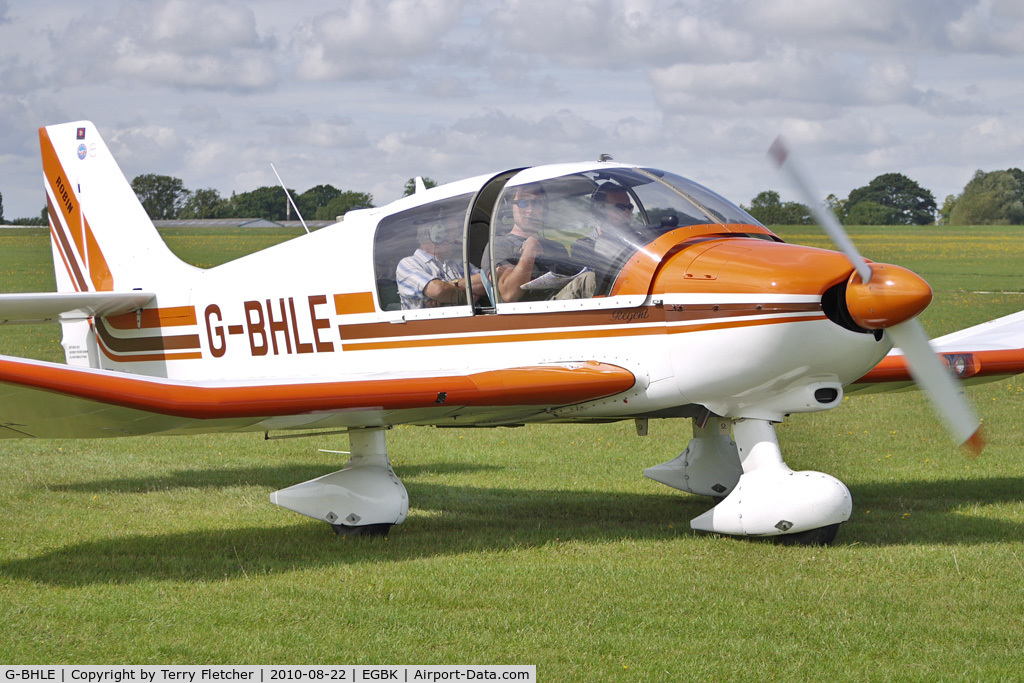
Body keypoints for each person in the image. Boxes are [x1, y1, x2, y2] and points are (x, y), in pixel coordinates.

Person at [483, 183, 594, 302]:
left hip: (563, 307)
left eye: (536, 203)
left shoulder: (557, 247)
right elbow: (509, 294)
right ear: (510, 208)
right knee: (588, 280)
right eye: (523, 203)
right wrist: (529, 253)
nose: (530, 210)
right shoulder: (499, 245)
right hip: (530, 313)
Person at [396, 212, 484, 309]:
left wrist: (451, 286)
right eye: (451, 233)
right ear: (434, 235)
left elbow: (486, 281)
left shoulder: (459, 264)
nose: (456, 239)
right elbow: (438, 290)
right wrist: (470, 297)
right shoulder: (408, 264)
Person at [571, 182, 635, 267]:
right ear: (600, 210)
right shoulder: (585, 247)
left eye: (630, 207)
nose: (627, 212)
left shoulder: (637, 240)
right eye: (620, 207)